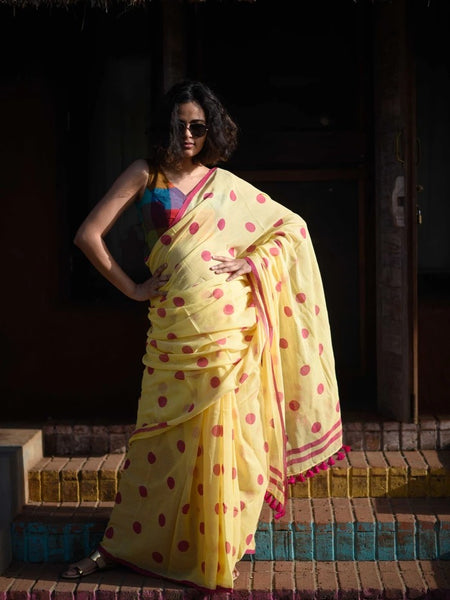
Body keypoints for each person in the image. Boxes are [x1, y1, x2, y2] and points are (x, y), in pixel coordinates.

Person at [61, 80, 348, 591]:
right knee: (157, 445)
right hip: (172, 335)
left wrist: (251, 260)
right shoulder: (144, 174)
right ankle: (121, 546)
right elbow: (88, 235)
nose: (188, 134)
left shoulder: (226, 186)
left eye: (198, 125)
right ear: (165, 125)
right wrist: (132, 288)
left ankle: (218, 549)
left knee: (229, 444)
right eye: (180, 124)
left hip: (227, 333)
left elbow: (292, 229)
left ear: (210, 129)